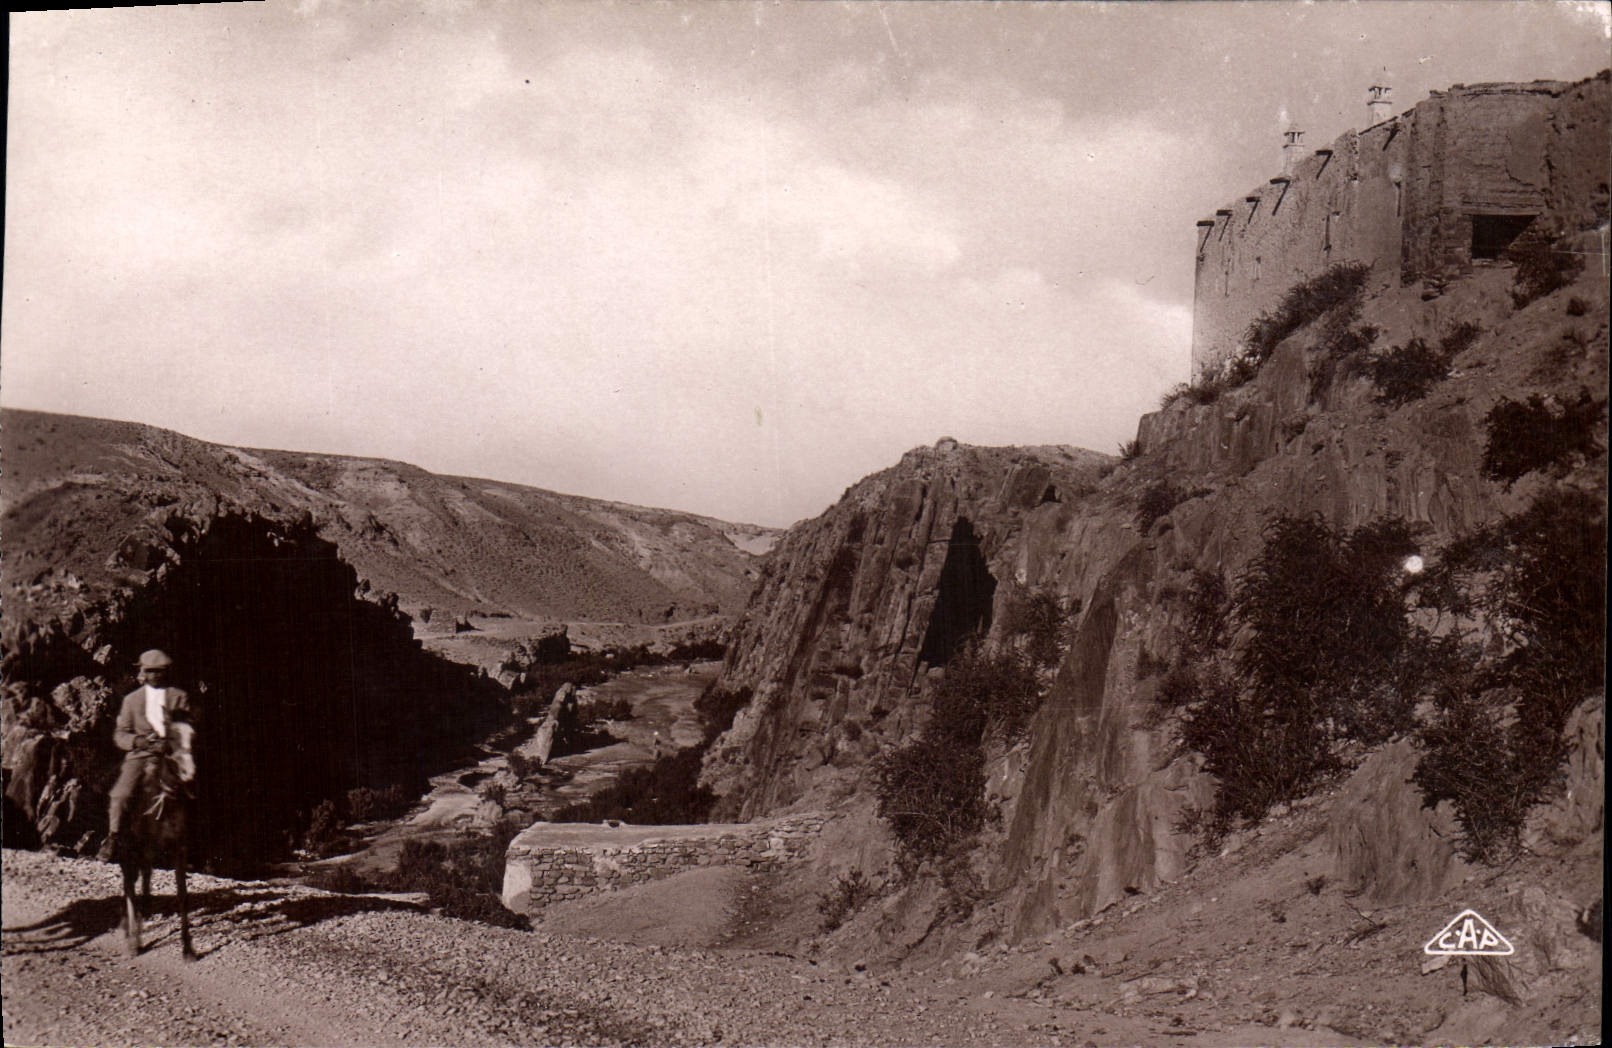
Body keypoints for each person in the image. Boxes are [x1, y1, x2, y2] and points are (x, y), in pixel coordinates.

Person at [98, 649, 193, 861]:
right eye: (150, 671)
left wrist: (170, 744)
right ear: (143, 672)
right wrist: (136, 741)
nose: (155, 676)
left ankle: (188, 846)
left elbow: (186, 728)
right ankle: (113, 838)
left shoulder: (179, 697)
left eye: (159, 671)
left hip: (170, 756)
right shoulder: (131, 700)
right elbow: (120, 733)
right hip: (139, 755)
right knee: (120, 794)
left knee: (186, 792)